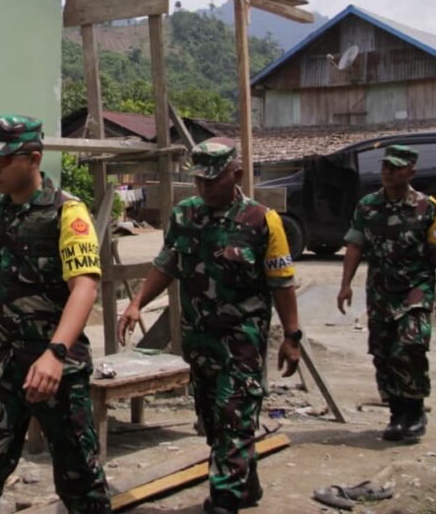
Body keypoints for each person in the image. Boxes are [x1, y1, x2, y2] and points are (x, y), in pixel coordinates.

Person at [117, 138, 300, 514]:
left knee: (235, 414)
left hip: (242, 342)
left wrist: (292, 337)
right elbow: (166, 263)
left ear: (236, 174)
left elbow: (282, 283)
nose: (203, 188)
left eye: (211, 181)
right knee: (213, 421)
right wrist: (137, 303)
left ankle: (225, 499)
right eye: (198, 180)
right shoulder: (185, 215)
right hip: (199, 340)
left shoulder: (263, 221)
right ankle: (245, 486)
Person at [0, 115, 111, 514]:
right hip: (0, 365)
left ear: (34, 158)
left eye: (3, 160)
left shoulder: (67, 214)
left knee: (80, 479)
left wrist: (55, 354)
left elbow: (85, 287)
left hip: (55, 365)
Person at [337, 144, 436, 443]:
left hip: (415, 287)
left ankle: (415, 411)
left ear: (411, 171)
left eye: (395, 166)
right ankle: (396, 413)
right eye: (385, 166)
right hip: (380, 290)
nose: (388, 171)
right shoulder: (368, 205)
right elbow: (355, 245)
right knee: (383, 351)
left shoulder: (426, 206)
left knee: (410, 345)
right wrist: (345, 284)